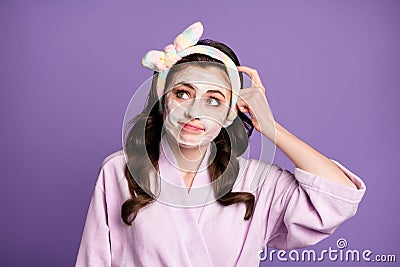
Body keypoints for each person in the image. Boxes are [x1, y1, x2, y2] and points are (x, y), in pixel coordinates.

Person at [75, 22, 366, 267]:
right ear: (164, 102)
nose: (195, 112)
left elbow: (338, 199)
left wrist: (270, 127)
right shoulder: (119, 170)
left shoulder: (257, 182)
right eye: (183, 94)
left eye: (213, 100)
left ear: (229, 114)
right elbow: (94, 259)